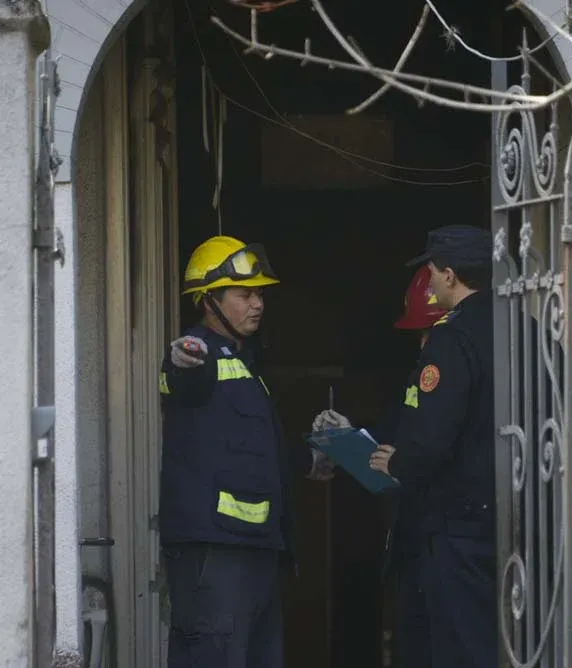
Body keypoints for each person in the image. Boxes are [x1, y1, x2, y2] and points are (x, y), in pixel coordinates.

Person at [158, 235, 333, 668]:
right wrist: (181, 361)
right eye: (244, 294)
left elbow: (258, 447)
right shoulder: (198, 354)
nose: (257, 304)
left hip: (255, 551)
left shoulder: (245, 364)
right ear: (208, 301)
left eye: (260, 294)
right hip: (214, 554)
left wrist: (311, 461)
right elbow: (184, 379)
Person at [369, 224, 496, 668]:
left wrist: (397, 463)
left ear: (449, 275)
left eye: (432, 270)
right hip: (515, 514)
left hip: (457, 523)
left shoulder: (452, 337)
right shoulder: (521, 325)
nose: (430, 279)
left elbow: (432, 434)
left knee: (456, 644)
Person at [312, 264, 448, 668]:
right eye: (419, 334)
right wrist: (351, 436)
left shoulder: (462, 380)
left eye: (430, 332)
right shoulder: (420, 380)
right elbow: (396, 430)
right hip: (413, 541)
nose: (423, 344)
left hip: (449, 543)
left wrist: (399, 460)